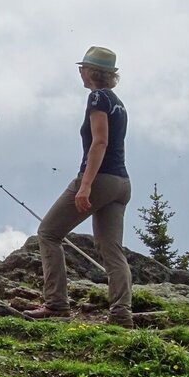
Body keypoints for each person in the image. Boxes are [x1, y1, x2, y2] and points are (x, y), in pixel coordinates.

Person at [23, 46, 133, 328]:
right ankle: (122, 315)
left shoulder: (96, 97)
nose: (80, 71)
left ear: (92, 72)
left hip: (99, 179)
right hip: (121, 183)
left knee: (48, 233)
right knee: (111, 249)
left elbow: (100, 142)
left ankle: (56, 304)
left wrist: (85, 186)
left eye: (82, 67)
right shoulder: (118, 103)